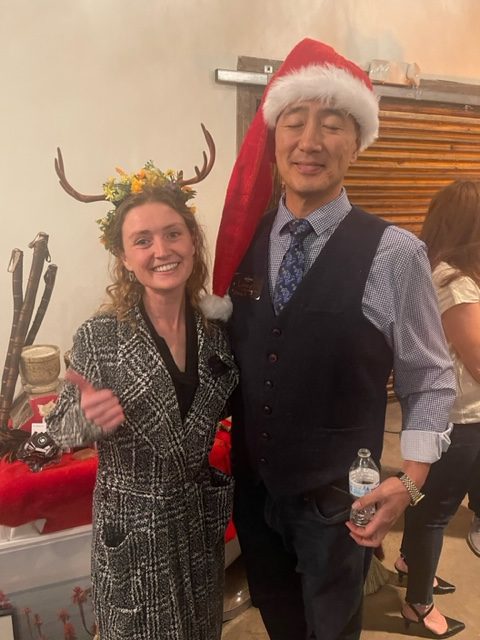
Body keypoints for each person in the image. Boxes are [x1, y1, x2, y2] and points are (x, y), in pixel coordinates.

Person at [204, 39, 456, 640]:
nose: (310, 141)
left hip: (341, 507)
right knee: (280, 621)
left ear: (357, 141)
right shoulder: (246, 239)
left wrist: (410, 482)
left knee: (332, 630)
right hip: (256, 496)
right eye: (294, 122)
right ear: (276, 137)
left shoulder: (395, 253)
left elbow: (430, 376)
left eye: (332, 124)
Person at [19, 129, 238, 640]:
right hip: (134, 531)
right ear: (123, 255)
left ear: (192, 241)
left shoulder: (215, 334)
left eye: (173, 234)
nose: (161, 250)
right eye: (142, 240)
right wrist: (84, 419)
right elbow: (52, 436)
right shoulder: (100, 337)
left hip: (196, 524)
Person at [396, 179, 480, 636]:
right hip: (460, 418)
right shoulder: (456, 283)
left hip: (439, 412)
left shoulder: (435, 269)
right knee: (437, 511)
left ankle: (410, 564)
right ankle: (418, 606)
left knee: (423, 498)